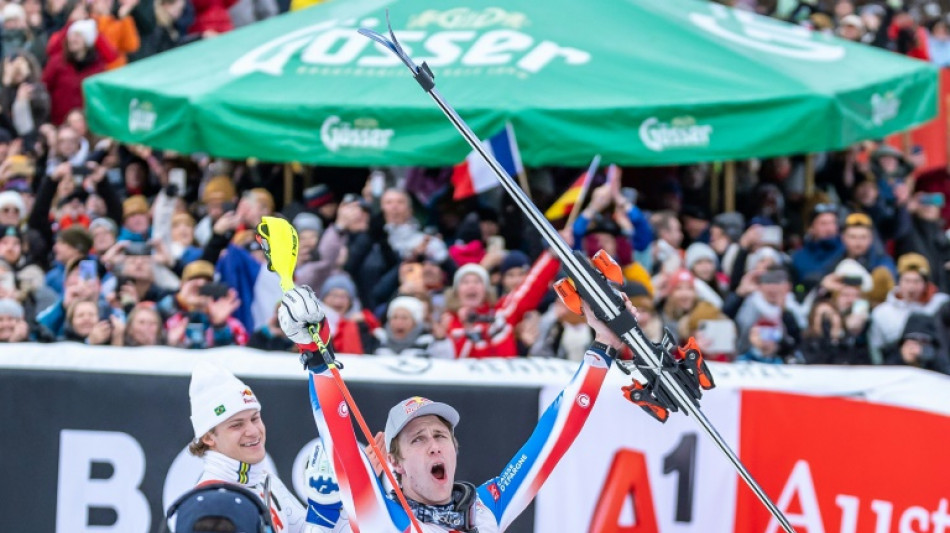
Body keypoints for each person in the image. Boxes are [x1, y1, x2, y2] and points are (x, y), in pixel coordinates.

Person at [277, 284, 629, 532]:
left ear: (454, 448)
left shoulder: (485, 509)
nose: (434, 445)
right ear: (394, 463)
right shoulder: (381, 518)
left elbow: (551, 438)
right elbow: (339, 436)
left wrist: (603, 347)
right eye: (417, 439)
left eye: (440, 435)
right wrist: (315, 353)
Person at [186, 361, 309, 532]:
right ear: (208, 437)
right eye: (236, 425)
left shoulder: (266, 482)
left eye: (255, 418)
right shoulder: (211, 505)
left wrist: (329, 505)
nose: (253, 431)